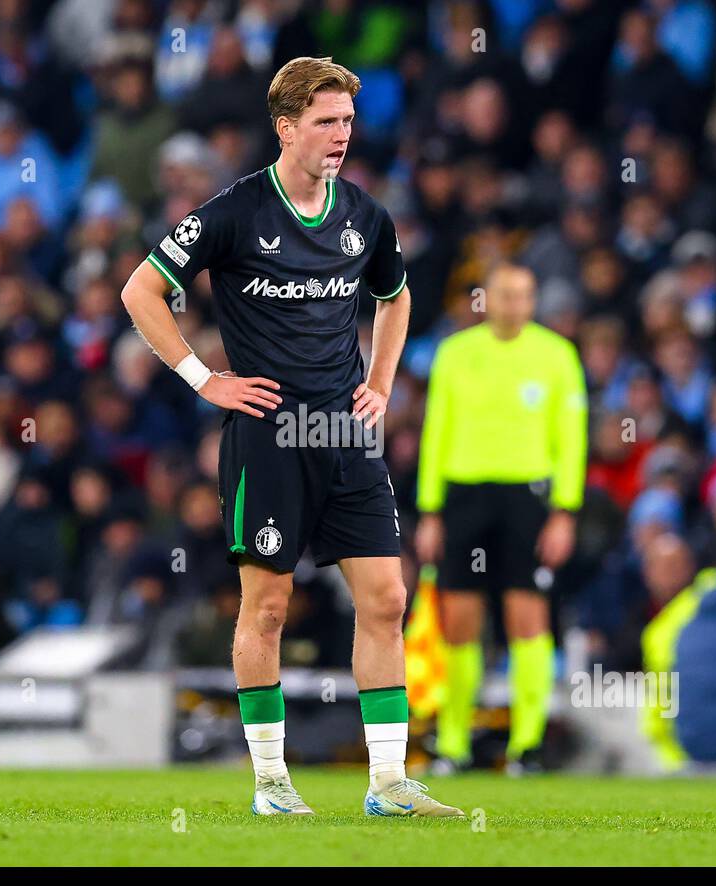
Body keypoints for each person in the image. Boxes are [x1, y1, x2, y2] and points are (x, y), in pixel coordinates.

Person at [120, 57, 461, 817]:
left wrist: (380, 383)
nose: (341, 136)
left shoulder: (366, 216)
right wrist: (203, 379)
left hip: (345, 434)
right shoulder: (236, 212)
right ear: (286, 129)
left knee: (387, 599)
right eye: (325, 122)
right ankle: (272, 782)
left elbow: (395, 298)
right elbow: (140, 289)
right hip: (268, 438)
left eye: (347, 121)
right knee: (267, 609)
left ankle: (388, 782)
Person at [413, 261, 588, 775]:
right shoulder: (454, 354)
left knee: (526, 618)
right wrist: (430, 511)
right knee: (460, 622)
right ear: (484, 299)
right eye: (505, 294)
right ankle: (453, 744)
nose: (514, 304)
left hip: (528, 498)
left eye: (524, 295)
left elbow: (571, 439)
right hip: (464, 495)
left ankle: (526, 744)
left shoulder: (557, 356)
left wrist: (565, 512)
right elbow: (435, 433)